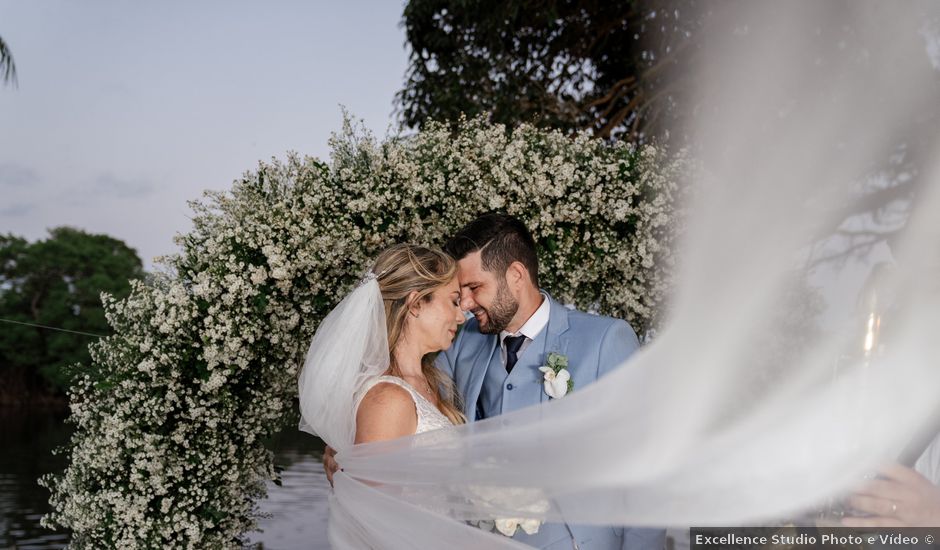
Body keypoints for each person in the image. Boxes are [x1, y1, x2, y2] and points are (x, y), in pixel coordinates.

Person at [433, 212, 665, 550]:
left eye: (474, 287)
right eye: (460, 292)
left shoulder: (605, 340)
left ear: (515, 275)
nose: (466, 304)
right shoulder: (461, 341)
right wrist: (355, 446)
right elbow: (415, 413)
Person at [298, 244, 466, 453]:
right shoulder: (386, 400)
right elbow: (369, 486)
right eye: (454, 301)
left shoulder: (428, 381)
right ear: (416, 304)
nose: (460, 317)